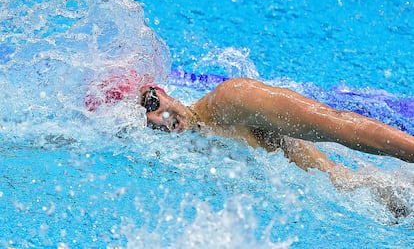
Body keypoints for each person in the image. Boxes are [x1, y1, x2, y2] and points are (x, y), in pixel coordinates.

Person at [137, 78, 414, 184]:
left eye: (151, 102)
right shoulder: (174, 164)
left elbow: (338, 123)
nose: (158, 118)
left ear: (162, 91)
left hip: (378, 198)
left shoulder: (232, 101)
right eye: (143, 120)